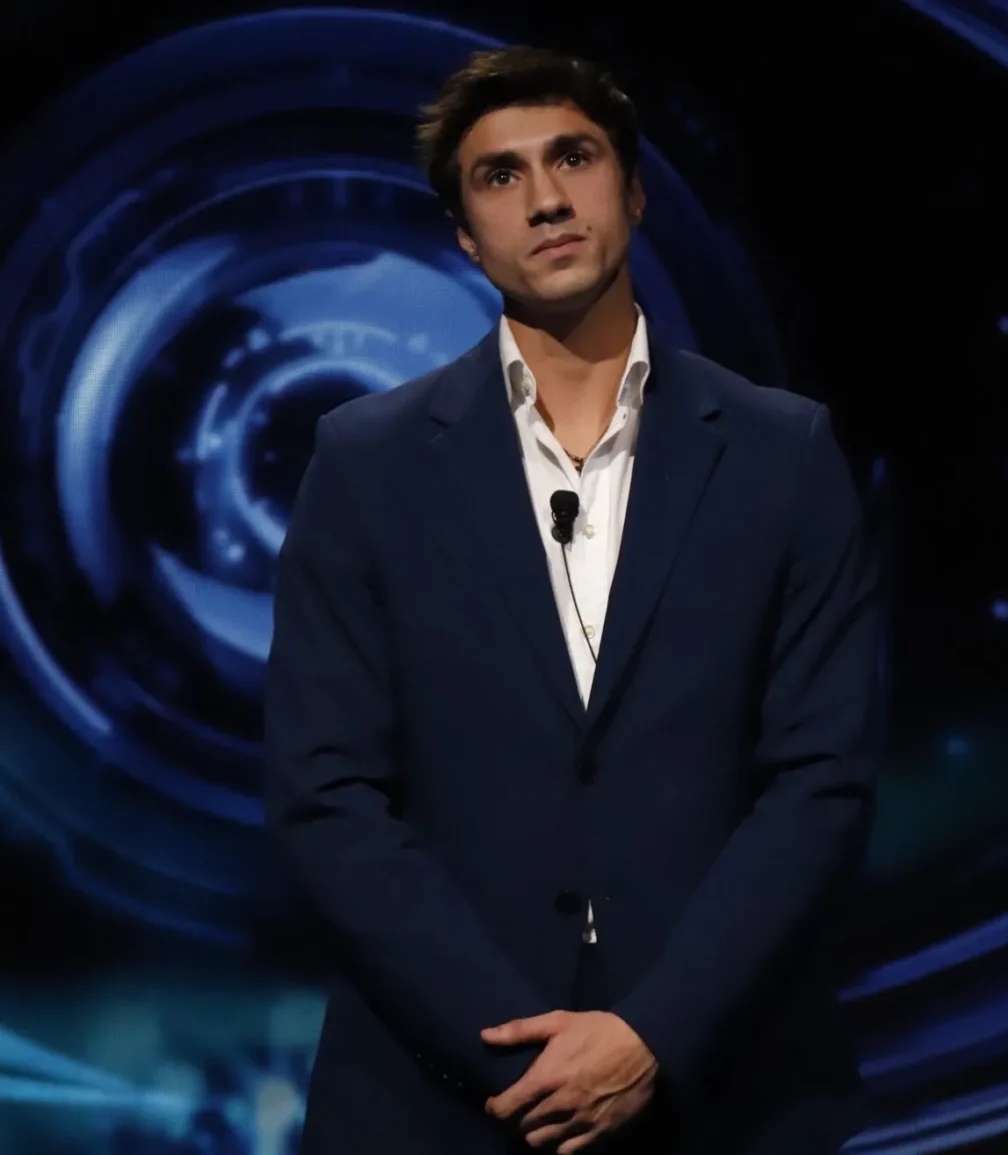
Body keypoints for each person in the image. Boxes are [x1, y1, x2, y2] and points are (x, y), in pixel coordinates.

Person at [264, 44, 879, 1155]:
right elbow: (325, 793)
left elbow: (821, 783)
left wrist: (653, 1034)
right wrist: (525, 1056)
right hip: (438, 1100)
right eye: (500, 176)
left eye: (574, 158)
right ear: (464, 233)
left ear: (633, 193)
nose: (545, 198)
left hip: (728, 1095)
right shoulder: (365, 463)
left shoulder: (783, 454)